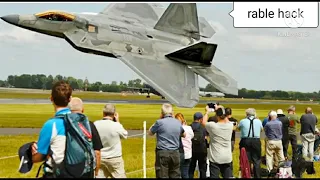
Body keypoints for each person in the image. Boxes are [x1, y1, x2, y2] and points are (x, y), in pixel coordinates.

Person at [31, 81, 94, 178]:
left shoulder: (51, 125)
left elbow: (37, 157)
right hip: (81, 173)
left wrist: (27, 153)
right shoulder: (81, 122)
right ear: (70, 99)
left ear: (51, 98)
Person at [68, 97, 103, 177]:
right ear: (82, 110)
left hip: (68, 169)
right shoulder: (89, 125)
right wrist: (96, 171)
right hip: (86, 170)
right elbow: (97, 152)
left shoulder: (64, 123)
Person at [149, 103, 186, 178]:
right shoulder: (177, 122)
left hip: (163, 152)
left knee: (162, 175)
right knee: (175, 175)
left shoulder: (159, 122)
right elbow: (184, 134)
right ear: (172, 112)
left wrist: (159, 119)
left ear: (162, 113)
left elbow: (150, 132)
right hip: (175, 152)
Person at [94, 103, 128, 178]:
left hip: (100, 157)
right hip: (115, 157)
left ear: (103, 113)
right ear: (114, 114)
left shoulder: (96, 124)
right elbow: (125, 135)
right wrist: (118, 121)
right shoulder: (116, 126)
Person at [201, 105, 234, 178]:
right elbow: (227, 120)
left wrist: (207, 112)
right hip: (227, 157)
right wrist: (221, 108)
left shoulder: (213, 126)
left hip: (215, 157)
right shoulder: (230, 126)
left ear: (217, 116)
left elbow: (203, 122)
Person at [237, 108, 263, 178]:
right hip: (256, 140)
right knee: (256, 160)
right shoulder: (258, 121)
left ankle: (246, 174)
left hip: (245, 140)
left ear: (246, 114)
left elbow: (238, 128)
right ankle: (257, 176)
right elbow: (261, 129)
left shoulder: (243, 121)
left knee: (246, 159)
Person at [189, 112, 208, 178]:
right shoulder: (203, 127)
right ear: (200, 119)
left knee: (191, 169)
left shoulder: (190, 126)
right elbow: (205, 137)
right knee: (202, 169)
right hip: (202, 150)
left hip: (192, 150)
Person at [175, 113, 194, 179]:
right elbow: (192, 136)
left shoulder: (177, 129)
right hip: (188, 153)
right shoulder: (189, 128)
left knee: (177, 173)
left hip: (180, 153)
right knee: (185, 173)